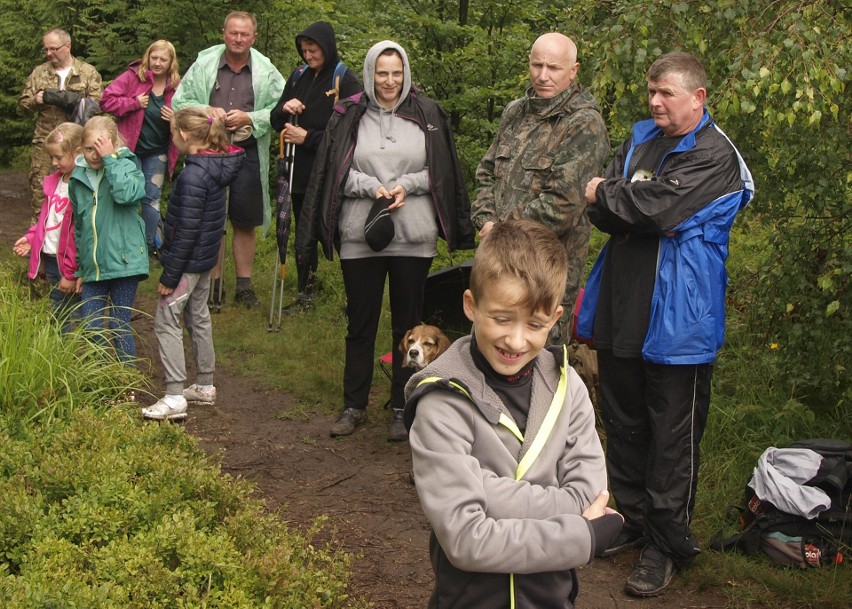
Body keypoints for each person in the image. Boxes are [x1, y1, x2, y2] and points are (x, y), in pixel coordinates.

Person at [577, 51, 754, 596]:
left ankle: (665, 543)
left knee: (672, 433)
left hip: (680, 311)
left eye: (667, 93)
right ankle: (629, 520)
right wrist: (618, 201)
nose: (655, 101)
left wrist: (611, 195)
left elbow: (653, 209)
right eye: (651, 91)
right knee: (624, 416)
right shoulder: (641, 139)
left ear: (698, 98)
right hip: (624, 298)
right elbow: (611, 212)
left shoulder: (714, 152)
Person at [404, 219, 623, 608]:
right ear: (471, 305)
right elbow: (466, 539)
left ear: (555, 318)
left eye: (535, 324)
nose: (516, 340)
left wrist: (484, 490)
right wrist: (580, 535)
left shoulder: (567, 388)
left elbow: (592, 494)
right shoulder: (440, 400)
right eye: (502, 318)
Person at [298, 40, 475, 441]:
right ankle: (353, 405)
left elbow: (441, 170)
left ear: (406, 73)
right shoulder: (348, 114)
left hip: (414, 236)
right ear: (369, 73)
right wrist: (371, 186)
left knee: (407, 327)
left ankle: (402, 406)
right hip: (360, 235)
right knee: (360, 324)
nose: (390, 81)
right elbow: (334, 170)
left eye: (397, 73)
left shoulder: (427, 114)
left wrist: (404, 185)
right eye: (382, 73)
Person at [470, 33, 609, 343]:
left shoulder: (584, 124)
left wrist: (499, 231)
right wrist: (486, 220)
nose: (543, 76)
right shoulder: (514, 112)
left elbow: (563, 204)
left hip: (544, 271)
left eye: (554, 68)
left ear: (573, 71)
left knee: (537, 362)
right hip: (496, 263)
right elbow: (486, 173)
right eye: (537, 65)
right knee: (489, 348)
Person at [172, 11, 285, 309]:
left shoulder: (267, 70)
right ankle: (213, 285)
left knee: (245, 219)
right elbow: (179, 102)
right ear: (223, 33)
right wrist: (209, 111)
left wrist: (250, 116)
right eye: (233, 33)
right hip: (208, 151)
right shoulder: (204, 64)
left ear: (254, 37)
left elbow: (281, 109)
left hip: (247, 150)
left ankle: (244, 287)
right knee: (211, 218)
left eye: (244, 34)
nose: (238, 39)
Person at [142, 108, 244, 421]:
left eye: (173, 134)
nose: (173, 139)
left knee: (165, 317)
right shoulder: (215, 166)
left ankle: (174, 396)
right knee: (197, 316)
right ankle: (203, 385)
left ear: (185, 136)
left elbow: (186, 230)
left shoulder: (193, 175)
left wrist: (170, 274)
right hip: (204, 260)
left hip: (187, 262)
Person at [270, 21, 361, 314]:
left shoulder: (345, 81)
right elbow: (274, 119)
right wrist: (286, 109)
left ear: (328, 47)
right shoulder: (298, 76)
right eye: (304, 50)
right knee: (303, 232)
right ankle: (305, 292)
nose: (308, 56)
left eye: (314, 50)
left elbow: (352, 133)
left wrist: (308, 137)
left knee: (340, 235)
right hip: (298, 171)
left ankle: (355, 298)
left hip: (331, 174)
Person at [69, 115, 149, 363]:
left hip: (124, 264)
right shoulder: (78, 178)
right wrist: (82, 268)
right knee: (91, 327)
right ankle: (102, 379)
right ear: (81, 148)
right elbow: (80, 226)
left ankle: (126, 382)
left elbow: (127, 195)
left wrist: (110, 160)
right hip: (94, 267)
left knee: (118, 324)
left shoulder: (126, 166)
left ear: (113, 144)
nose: (95, 155)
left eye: (100, 148)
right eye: (90, 149)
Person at [100, 40, 181, 261]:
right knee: (126, 196)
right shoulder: (133, 78)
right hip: (129, 150)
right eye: (154, 58)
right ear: (147, 57)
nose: (157, 63)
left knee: (151, 199)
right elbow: (105, 100)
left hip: (158, 152)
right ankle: (121, 244)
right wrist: (133, 103)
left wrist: (175, 118)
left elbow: (190, 117)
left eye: (163, 59)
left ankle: (146, 248)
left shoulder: (176, 87)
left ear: (171, 62)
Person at [18, 28, 103, 221]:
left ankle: (72, 239)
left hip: (77, 145)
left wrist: (68, 99)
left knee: (78, 189)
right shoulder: (39, 73)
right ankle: (38, 239)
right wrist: (35, 101)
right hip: (45, 143)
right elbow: (24, 104)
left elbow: (97, 106)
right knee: (41, 189)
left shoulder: (87, 73)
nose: (49, 53)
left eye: (54, 49)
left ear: (68, 46)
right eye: (46, 49)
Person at [13, 122, 84, 333]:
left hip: (71, 264)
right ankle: (58, 357)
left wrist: (71, 273)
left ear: (77, 153)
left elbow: (78, 234)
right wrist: (32, 237)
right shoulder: (54, 182)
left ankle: (76, 359)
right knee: (57, 310)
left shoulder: (82, 186)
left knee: (75, 315)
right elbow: (47, 220)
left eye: (58, 157)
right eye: (51, 157)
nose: (53, 163)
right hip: (53, 259)